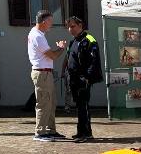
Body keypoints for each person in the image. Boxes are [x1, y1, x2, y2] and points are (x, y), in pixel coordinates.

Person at [28, 10, 67, 141]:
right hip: (42, 73)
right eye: (50, 21)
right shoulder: (37, 36)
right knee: (44, 103)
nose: (51, 24)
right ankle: (40, 132)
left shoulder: (37, 34)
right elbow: (53, 55)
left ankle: (50, 130)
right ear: (44, 22)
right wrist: (61, 48)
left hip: (45, 73)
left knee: (51, 103)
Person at [63, 16, 102, 142]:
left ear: (80, 26)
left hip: (83, 79)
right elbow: (69, 58)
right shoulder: (73, 41)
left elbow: (94, 61)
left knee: (83, 105)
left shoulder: (89, 40)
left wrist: (87, 77)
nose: (70, 29)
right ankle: (81, 132)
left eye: (73, 26)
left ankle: (86, 134)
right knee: (79, 106)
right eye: (68, 27)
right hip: (73, 79)